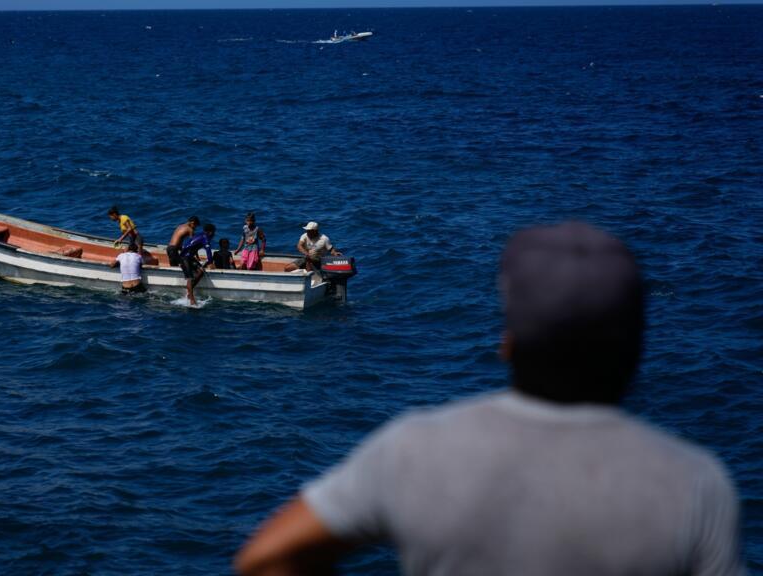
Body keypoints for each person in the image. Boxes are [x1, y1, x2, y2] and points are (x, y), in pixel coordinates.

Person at [236, 222, 744, 576]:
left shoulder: (415, 449)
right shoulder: (694, 485)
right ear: (635, 350)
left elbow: (266, 558)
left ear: (508, 343)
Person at [179, 223, 216, 305]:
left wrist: (197, 258)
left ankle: (189, 291)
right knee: (190, 278)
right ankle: (192, 300)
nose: (214, 234)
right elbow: (208, 251)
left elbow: (192, 246)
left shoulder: (201, 235)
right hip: (184, 258)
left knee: (201, 271)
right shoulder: (205, 238)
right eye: (213, 232)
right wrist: (210, 262)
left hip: (190, 257)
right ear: (210, 232)